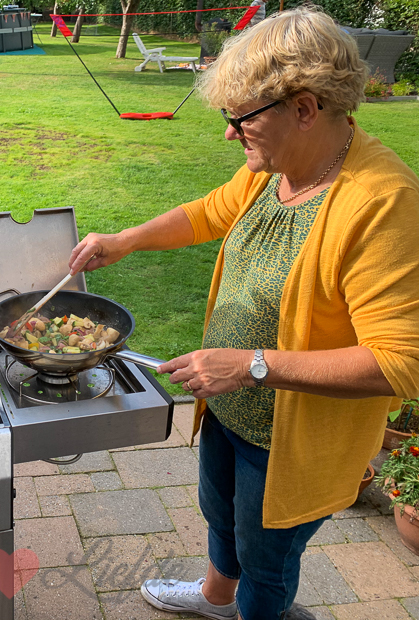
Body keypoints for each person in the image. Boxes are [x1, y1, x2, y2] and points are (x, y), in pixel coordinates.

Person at [69, 7, 419, 620]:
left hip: (290, 436)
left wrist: (252, 366)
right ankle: (213, 597)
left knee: (269, 561)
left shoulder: (380, 201)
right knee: (220, 514)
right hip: (230, 404)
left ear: (305, 109)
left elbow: (402, 363)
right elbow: (210, 212)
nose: (231, 133)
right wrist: (125, 240)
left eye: (241, 118)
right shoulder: (278, 168)